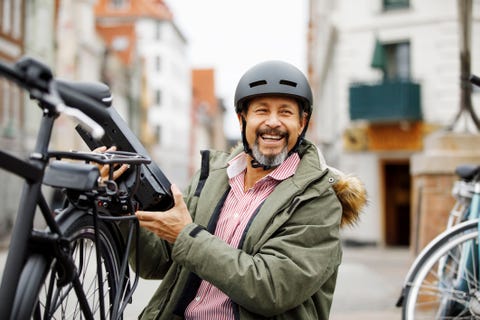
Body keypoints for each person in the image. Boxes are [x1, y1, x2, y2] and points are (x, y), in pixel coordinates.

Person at [113, 60, 366, 320]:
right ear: (242, 119)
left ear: (302, 124)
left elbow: (271, 288)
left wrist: (186, 237)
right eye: (262, 111)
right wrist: (120, 196)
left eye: (286, 113)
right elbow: (155, 262)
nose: (273, 122)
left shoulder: (318, 200)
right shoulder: (211, 176)